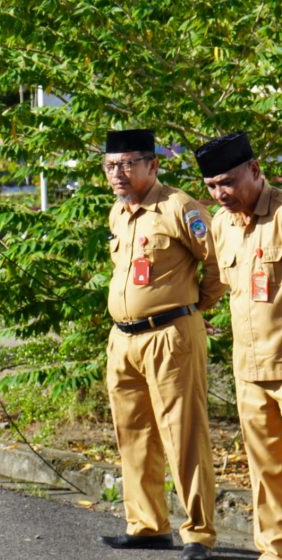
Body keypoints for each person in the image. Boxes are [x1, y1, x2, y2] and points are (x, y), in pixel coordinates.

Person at [97, 129, 225, 560]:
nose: (118, 172)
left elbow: (218, 263)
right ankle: (148, 525)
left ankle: (198, 533)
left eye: (129, 163)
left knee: (184, 435)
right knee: (132, 434)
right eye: (111, 164)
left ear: (153, 165)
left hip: (171, 337)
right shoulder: (119, 212)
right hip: (124, 339)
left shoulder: (178, 207)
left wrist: (191, 309)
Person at [197, 131, 282, 560]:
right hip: (249, 370)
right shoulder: (219, 224)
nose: (220, 193)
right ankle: (273, 550)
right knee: (265, 471)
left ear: (255, 169)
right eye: (211, 186)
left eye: (227, 182)